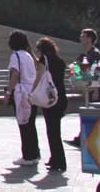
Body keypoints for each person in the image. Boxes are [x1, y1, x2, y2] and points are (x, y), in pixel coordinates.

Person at [3, 30, 40, 166]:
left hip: (21, 93)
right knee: (31, 124)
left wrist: (8, 93)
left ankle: (27, 156)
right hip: (32, 93)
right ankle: (35, 154)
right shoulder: (29, 56)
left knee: (23, 124)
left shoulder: (16, 56)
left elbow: (15, 75)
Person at [68, 28, 100, 145]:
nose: (80, 38)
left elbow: (97, 72)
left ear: (89, 38)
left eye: (83, 36)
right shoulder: (87, 54)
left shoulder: (95, 54)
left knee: (95, 114)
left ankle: (85, 139)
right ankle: (83, 138)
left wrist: (95, 90)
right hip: (89, 87)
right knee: (91, 114)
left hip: (95, 88)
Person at [36, 37, 68, 172]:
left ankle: (59, 161)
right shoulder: (60, 61)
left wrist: (32, 93)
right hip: (61, 97)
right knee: (55, 130)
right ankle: (55, 158)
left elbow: (39, 77)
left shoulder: (44, 60)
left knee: (52, 131)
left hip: (50, 98)